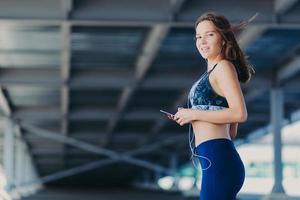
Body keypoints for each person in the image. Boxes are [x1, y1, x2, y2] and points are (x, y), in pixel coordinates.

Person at [169, 12, 255, 200]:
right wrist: (192, 115)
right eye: (198, 36)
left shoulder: (223, 67)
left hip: (218, 159)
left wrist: (194, 114)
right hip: (216, 158)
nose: (202, 41)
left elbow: (239, 114)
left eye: (210, 34)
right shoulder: (211, 73)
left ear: (223, 39)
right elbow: (231, 132)